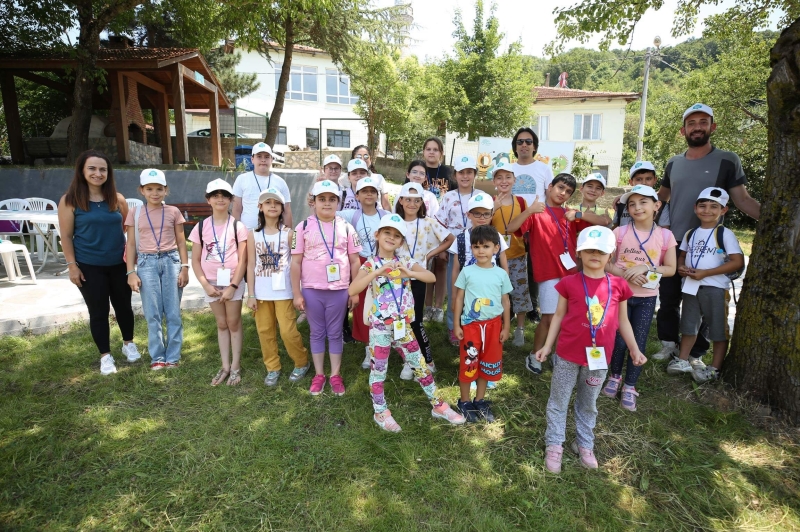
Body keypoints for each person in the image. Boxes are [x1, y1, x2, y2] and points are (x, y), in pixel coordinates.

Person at [654, 103, 760, 363]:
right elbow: (660, 198)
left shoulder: (727, 160)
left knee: (701, 299)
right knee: (668, 298)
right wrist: (628, 201)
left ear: (713, 126)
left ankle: (695, 353)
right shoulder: (673, 163)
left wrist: (777, 220)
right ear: (683, 130)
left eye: (703, 122)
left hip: (708, 244)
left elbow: (743, 200)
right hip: (675, 241)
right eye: (692, 123)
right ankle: (669, 344)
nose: (697, 127)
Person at [534, 226, 645, 473]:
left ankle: (584, 444)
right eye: (589, 250)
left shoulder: (619, 285)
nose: (595, 255)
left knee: (588, 403)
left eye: (601, 251)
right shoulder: (568, 283)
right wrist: (547, 346)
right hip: (567, 356)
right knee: (558, 401)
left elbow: (623, 321)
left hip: (598, 360)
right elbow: (559, 316)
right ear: (579, 253)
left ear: (611, 255)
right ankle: (555, 444)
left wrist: (634, 350)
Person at [349, 214, 466, 432]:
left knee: (421, 367)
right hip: (380, 329)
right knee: (379, 371)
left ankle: (438, 405)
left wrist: (409, 273)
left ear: (401, 241)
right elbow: (353, 289)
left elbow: (430, 277)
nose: (391, 238)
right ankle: (380, 411)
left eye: (396, 236)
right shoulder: (370, 264)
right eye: (387, 233)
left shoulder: (405, 262)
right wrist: (377, 272)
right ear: (377, 235)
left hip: (404, 329)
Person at [57, 150, 140, 375]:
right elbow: (66, 236)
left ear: (108, 173)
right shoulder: (69, 201)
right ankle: (105, 356)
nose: (97, 173)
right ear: (82, 171)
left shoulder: (118, 199)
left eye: (102, 169)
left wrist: (130, 261)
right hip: (89, 266)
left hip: (119, 264)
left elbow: (126, 228)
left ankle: (128, 344)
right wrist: (72, 266)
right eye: (92, 168)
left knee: (124, 306)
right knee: (98, 311)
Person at [602, 185, 677, 411]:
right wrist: (624, 273)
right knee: (619, 339)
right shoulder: (619, 233)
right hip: (620, 296)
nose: (637, 207)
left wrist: (647, 267)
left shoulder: (665, 235)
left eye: (643, 202)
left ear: (657, 206)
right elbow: (606, 263)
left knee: (639, 339)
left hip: (646, 297)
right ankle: (615, 376)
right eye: (632, 204)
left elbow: (671, 268)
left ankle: (631, 385)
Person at [291, 180, 362, 396]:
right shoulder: (302, 227)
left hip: (339, 290)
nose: (327, 203)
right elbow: (295, 262)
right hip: (312, 290)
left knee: (334, 333)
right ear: (314, 202)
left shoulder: (347, 227)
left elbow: (355, 261)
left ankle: (336, 374)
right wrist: (296, 293)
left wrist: (355, 290)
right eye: (322, 199)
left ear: (338, 202)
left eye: (332, 199)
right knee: (316, 332)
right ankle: (319, 374)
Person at [668, 187, 744, 383]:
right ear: (695, 208)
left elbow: (737, 261)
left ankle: (715, 368)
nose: (707, 210)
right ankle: (682, 360)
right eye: (703, 206)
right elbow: (683, 255)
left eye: (714, 206)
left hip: (715, 288)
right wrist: (681, 267)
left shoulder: (724, 233)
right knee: (689, 325)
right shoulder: (691, 233)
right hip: (691, 286)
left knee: (718, 328)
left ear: (723, 210)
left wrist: (706, 273)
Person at [507, 173, 579, 375]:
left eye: (568, 192)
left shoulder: (570, 214)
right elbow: (510, 228)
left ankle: (557, 354)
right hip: (549, 275)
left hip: (571, 274)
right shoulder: (537, 212)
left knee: (566, 319)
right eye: (560, 188)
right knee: (548, 318)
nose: (563, 193)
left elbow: (604, 220)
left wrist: (579, 215)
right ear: (549, 186)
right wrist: (529, 210)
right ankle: (535, 354)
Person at [125, 169, 189, 370]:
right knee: (152, 312)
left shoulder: (173, 212)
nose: (155, 193)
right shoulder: (135, 213)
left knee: (172, 312)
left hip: (171, 261)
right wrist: (131, 272)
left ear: (166, 190)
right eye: (150, 189)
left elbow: (181, 241)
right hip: (146, 264)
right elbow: (131, 245)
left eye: (159, 189)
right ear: (141, 190)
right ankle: (157, 356)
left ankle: (173, 356)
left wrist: (185, 267)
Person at [246, 187, 310, 386]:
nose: (272, 206)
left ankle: (301, 362)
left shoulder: (290, 234)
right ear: (260, 207)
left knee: (287, 331)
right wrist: (251, 294)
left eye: (276, 203)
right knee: (265, 331)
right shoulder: (252, 235)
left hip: (284, 292)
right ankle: (272, 368)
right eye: (268, 202)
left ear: (282, 207)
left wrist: (297, 291)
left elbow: (297, 262)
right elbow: (250, 264)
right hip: (262, 292)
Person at [189, 179, 249, 385]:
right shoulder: (200, 227)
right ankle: (224, 366)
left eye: (224, 195)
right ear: (208, 200)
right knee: (221, 323)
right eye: (215, 195)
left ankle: (235, 367)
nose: (220, 198)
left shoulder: (238, 226)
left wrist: (233, 286)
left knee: (233, 322)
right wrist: (205, 284)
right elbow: (195, 260)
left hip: (233, 282)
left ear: (231, 200)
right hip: (211, 283)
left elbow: (243, 260)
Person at [452, 225, 513, 423]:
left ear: (496, 248)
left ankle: (480, 400)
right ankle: (464, 401)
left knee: (487, 363)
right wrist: (456, 324)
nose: (481, 251)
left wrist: (506, 327)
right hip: (471, 326)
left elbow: (505, 301)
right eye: (476, 247)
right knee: (469, 363)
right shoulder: (467, 272)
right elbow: (459, 298)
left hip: (494, 327)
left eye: (486, 246)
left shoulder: (501, 274)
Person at [394, 182, 454, 373]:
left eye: (417, 200)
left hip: (418, 277)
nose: (412, 203)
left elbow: (449, 239)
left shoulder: (428, 222)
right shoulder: (393, 221)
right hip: (397, 280)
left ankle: (428, 360)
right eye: (408, 199)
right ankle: (409, 359)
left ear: (422, 202)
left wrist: (430, 254)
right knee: (399, 320)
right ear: (401, 201)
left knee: (416, 320)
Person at [449, 193, 510, 346]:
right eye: (477, 213)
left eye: (486, 213)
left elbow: (504, 263)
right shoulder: (461, 239)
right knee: (469, 316)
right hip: (468, 287)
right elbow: (455, 269)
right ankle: (466, 339)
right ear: (469, 214)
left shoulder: (497, 237)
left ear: (492, 214)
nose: (481, 217)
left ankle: (490, 341)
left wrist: (504, 290)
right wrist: (454, 295)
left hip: (491, 286)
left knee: (490, 314)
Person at [337, 176, 390, 351]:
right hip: (360, 263)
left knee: (382, 302)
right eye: (364, 191)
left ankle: (383, 340)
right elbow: (326, 214)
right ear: (357, 196)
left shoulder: (386, 216)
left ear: (377, 195)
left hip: (381, 263)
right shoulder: (351, 214)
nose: (369, 195)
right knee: (362, 304)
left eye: (372, 191)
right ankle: (369, 345)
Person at [511, 127, 553, 324]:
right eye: (520, 142)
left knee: (533, 268)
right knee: (510, 267)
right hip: (512, 225)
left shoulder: (544, 169)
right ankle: (511, 306)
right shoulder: (508, 169)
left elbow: (551, 198)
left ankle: (532, 308)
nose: (524, 145)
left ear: (534, 146)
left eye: (528, 141)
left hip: (537, 225)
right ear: (515, 147)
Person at [433, 155, 478, 333]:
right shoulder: (448, 197)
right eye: (461, 173)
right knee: (454, 290)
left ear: (475, 174)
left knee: (474, 289)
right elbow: (440, 224)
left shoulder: (481, 196)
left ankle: (472, 325)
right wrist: (443, 249)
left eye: (469, 172)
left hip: (477, 251)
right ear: (455, 175)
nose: (465, 176)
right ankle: (453, 326)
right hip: (454, 251)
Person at [490, 160, 532, 346]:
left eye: (508, 177)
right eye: (499, 177)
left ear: (514, 179)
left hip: (517, 254)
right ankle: (496, 326)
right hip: (495, 257)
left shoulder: (521, 201)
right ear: (494, 181)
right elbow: (484, 225)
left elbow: (526, 226)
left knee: (520, 292)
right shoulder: (491, 201)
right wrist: (494, 210)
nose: (504, 181)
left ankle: (520, 329)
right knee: (496, 292)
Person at [418, 137, 456, 319]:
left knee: (441, 264)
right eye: (428, 149)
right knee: (425, 265)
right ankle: (427, 307)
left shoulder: (448, 172)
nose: (431, 152)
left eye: (435, 149)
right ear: (424, 152)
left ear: (441, 153)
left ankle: (439, 307)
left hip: (443, 226)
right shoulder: (418, 170)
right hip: (422, 228)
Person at [232, 143, 292, 230]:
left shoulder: (280, 182)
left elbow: (286, 212)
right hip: (246, 234)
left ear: (272, 159)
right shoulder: (241, 179)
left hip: (274, 236)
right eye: (259, 156)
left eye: (267, 157)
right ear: (252, 159)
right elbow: (236, 209)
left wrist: (291, 241)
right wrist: (236, 235)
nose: (263, 160)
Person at [612, 162, 671, 229]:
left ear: (655, 180)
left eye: (648, 179)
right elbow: (615, 226)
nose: (644, 183)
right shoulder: (622, 202)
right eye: (639, 179)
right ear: (631, 182)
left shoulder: (662, 206)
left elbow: (664, 232)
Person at [347, 145, 391, 211]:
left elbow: (386, 205)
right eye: (358, 157)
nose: (362, 159)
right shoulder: (343, 180)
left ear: (370, 159)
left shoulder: (379, 178)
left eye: (366, 156)